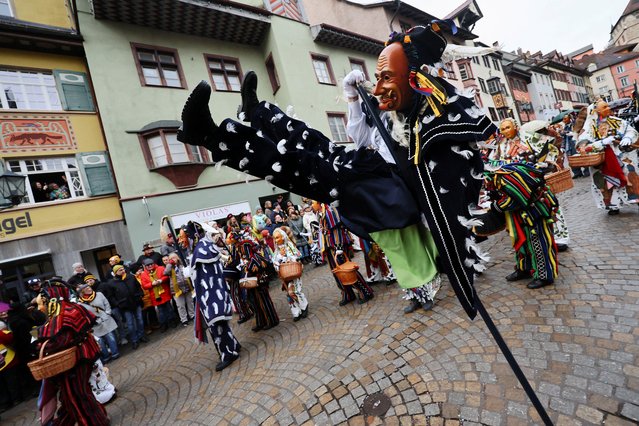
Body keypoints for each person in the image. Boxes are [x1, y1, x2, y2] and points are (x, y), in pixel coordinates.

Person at [177, 23, 496, 319]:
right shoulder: (391, 110)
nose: (380, 83)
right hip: (379, 171)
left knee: (308, 168)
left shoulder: (432, 109)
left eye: (388, 75)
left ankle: (211, 137)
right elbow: (360, 137)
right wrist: (355, 98)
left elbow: (453, 176)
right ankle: (257, 112)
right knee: (313, 144)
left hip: (395, 193)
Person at [35, 279, 110, 426]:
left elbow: (63, 339)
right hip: (81, 356)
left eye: (43, 299)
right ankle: (93, 419)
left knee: (75, 393)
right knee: (74, 393)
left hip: (77, 359)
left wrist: (42, 346)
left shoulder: (63, 311)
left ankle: (93, 422)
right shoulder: (70, 307)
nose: (42, 304)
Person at [484, 162, 559, 289]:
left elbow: (517, 198)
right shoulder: (498, 177)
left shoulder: (505, 177)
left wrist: (494, 206)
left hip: (536, 213)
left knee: (539, 244)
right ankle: (524, 268)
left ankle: (545, 275)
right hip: (521, 215)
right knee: (522, 243)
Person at [186, 222, 241, 372]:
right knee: (221, 323)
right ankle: (233, 345)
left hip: (210, 294)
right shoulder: (204, 247)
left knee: (217, 325)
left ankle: (228, 353)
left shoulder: (201, 250)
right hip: (214, 292)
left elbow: (205, 276)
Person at [577, 99, 639, 214]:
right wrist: (602, 143)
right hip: (601, 161)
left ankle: (635, 197)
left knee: (630, 172)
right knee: (604, 183)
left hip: (619, 156)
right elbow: (582, 147)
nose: (608, 108)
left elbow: (631, 131)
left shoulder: (616, 121)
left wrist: (628, 138)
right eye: (604, 107)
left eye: (607, 106)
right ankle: (613, 205)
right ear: (597, 111)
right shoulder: (589, 128)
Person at [313, 200, 374, 305]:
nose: (312, 205)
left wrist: (338, 247)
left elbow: (337, 229)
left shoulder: (329, 210)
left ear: (319, 203)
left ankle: (365, 291)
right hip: (329, 247)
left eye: (313, 203)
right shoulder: (321, 212)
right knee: (337, 272)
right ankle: (348, 294)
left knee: (347, 269)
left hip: (336, 246)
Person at [272, 227, 309, 321]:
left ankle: (304, 306)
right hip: (284, 274)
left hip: (293, 272)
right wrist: (281, 257)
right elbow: (275, 262)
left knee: (295, 291)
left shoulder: (289, 245)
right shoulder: (276, 250)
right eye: (274, 238)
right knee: (288, 294)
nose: (276, 240)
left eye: (277, 237)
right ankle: (296, 312)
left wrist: (287, 258)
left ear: (283, 237)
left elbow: (298, 255)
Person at [77, 283, 120, 363]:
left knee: (111, 337)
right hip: (95, 324)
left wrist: (108, 313)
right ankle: (106, 356)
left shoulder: (99, 294)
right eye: (87, 289)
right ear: (82, 292)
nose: (89, 289)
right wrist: (93, 321)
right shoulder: (80, 304)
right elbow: (84, 315)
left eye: (89, 287)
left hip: (105, 319)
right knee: (100, 342)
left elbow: (106, 303)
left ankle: (115, 353)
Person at [112, 264, 148, 348]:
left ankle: (141, 336)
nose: (122, 270)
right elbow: (112, 296)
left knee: (140, 320)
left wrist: (140, 295)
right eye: (120, 270)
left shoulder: (131, 277)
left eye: (123, 269)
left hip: (136, 302)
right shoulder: (113, 283)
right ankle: (134, 340)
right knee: (130, 324)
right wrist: (118, 303)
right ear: (115, 272)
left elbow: (138, 287)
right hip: (125, 306)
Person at [140, 259, 175, 333]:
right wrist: (152, 284)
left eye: (151, 264)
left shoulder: (161, 268)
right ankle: (164, 324)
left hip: (164, 292)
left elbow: (166, 276)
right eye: (148, 265)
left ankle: (172, 321)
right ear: (145, 266)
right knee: (161, 311)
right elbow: (144, 285)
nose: (150, 266)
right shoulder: (143, 274)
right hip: (155, 296)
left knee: (169, 308)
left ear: (154, 263)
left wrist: (160, 281)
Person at [163, 252, 194, 326]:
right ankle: (184, 320)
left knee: (190, 302)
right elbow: (165, 273)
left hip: (186, 286)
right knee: (180, 305)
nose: (173, 259)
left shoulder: (182, 264)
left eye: (174, 257)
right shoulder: (169, 267)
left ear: (177, 258)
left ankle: (192, 315)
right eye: (171, 258)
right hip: (176, 289)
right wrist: (170, 264)